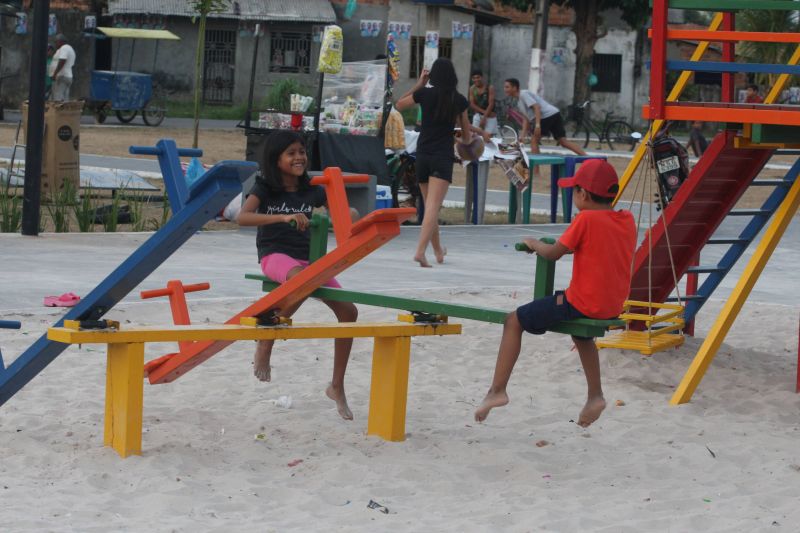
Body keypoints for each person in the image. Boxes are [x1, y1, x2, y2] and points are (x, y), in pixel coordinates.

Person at [474, 159, 636, 427]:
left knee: (514, 321)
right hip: (612, 305)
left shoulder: (585, 219)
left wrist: (533, 243)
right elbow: (599, 245)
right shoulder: (625, 219)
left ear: (583, 194)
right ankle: (595, 396)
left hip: (583, 302)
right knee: (581, 333)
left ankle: (497, 391)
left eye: (574, 191)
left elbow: (552, 254)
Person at [238, 130, 359, 421]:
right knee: (300, 279)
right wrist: (283, 217)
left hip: (311, 263)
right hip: (276, 256)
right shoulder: (265, 186)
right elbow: (242, 217)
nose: (299, 158)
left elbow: (344, 213)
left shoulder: (312, 189)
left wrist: (349, 214)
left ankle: (336, 385)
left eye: (302, 152)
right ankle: (266, 342)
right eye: (291, 153)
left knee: (349, 311)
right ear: (276, 158)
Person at [396, 57, 472, 268]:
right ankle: (420, 252)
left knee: (430, 205)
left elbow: (399, 104)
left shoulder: (424, 93)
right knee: (432, 208)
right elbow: (466, 137)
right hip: (441, 157)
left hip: (422, 156)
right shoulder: (459, 100)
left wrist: (419, 83)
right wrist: (458, 138)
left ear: (433, 76)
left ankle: (438, 251)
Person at [503, 78, 586, 158]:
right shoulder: (518, 102)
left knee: (534, 141)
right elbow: (526, 119)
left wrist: (538, 126)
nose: (505, 89)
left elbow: (537, 107)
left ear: (515, 88)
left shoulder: (523, 94)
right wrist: (522, 136)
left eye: (507, 87)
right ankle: (588, 158)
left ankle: (536, 172)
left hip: (546, 116)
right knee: (563, 141)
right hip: (554, 113)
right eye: (505, 87)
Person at [469, 69, 497, 135]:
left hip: (490, 116)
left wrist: (484, 117)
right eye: (474, 78)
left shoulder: (489, 88)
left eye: (478, 77)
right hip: (478, 116)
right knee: (475, 137)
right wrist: (483, 113)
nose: (476, 80)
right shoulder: (472, 89)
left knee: (488, 137)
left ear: (482, 77)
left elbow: (491, 104)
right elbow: (472, 104)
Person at [51, 34, 76, 102]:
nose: (55, 44)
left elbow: (62, 60)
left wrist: (55, 73)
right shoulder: (69, 48)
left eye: (56, 42)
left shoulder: (64, 48)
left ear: (61, 42)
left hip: (62, 76)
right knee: (64, 98)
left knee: (58, 98)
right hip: (67, 76)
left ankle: (59, 112)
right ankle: (64, 112)